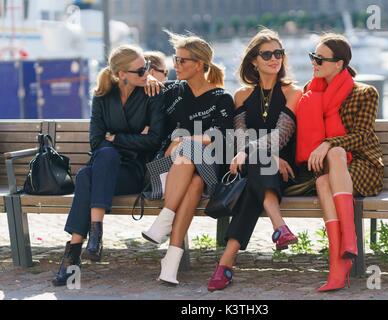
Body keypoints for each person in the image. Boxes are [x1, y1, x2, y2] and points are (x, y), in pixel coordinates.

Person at [52, 45, 166, 286]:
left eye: (146, 66)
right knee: (100, 162)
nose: (146, 72)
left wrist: (117, 138)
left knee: (87, 175)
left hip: (134, 172)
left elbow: (154, 140)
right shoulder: (103, 97)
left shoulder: (152, 93)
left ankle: (74, 254)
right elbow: (96, 141)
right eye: (140, 70)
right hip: (107, 166)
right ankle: (91, 239)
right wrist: (133, 138)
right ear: (121, 74)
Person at [207, 28, 304, 292]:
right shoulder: (241, 95)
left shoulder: (294, 92)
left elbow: (282, 134)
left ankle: (226, 264)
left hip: (283, 171)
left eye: (279, 53)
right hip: (255, 166)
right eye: (267, 54)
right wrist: (253, 153)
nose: (275, 59)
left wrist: (253, 152)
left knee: (255, 179)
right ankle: (278, 227)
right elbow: (240, 137)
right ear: (253, 60)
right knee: (255, 179)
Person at [142, 31, 235, 285]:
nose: (176, 65)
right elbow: (127, 84)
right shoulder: (171, 92)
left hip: (209, 171)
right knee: (192, 182)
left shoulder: (221, 98)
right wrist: (147, 78)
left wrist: (186, 140)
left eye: (182, 61)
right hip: (167, 171)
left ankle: (164, 218)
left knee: (187, 152)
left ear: (200, 64)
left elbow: (220, 134)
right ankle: (170, 262)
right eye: (175, 59)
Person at [296, 33, 384, 292]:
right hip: (330, 171)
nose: (314, 63)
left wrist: (328, 143)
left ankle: (348, 242)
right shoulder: (310, 92)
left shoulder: (365, 93)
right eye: (313, 57)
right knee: (323, 181)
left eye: (320, 59)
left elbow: (363, 136)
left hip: (364, 165)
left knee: (334, 153)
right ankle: (339, 261)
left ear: (339, 64)